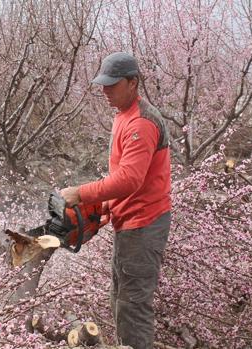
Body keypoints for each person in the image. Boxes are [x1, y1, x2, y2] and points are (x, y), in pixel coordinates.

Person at [60, 52, 172, 349]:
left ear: (133, 82)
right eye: (103, 84)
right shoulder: (123, 115)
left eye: (112, 84)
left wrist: (81, 194)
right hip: (131, 220)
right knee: (121, 301)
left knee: (133, 307)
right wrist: (108, 207)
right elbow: (128, 174)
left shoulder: (142, 123)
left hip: (144, 223)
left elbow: (130, 179)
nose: (105, 90)